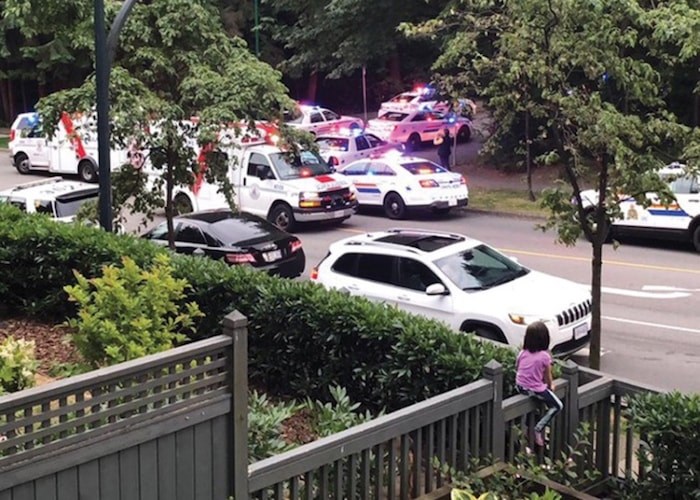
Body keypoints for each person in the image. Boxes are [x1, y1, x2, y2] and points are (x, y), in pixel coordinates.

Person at [515, 321, 563, 447]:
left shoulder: (522, 353)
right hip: (535, 389)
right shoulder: (545, 357)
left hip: (520, 386)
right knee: (558, 406)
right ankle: (538, 428)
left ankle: (524, 429)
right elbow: (548, 377)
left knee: (529, 410)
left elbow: (518, 368)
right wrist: (550, 387)